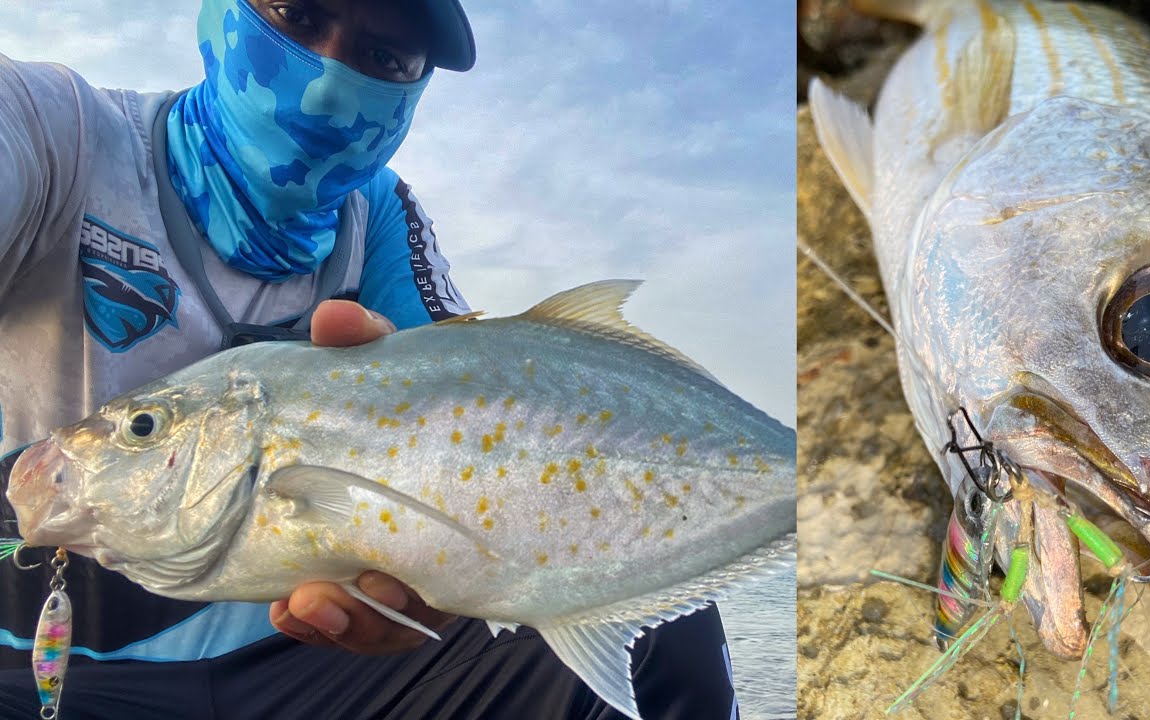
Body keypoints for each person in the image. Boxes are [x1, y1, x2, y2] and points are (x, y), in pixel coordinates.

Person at [0, 0, 739, 717]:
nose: (326, 81)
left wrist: (467, 568)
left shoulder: (380, 214)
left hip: (312, 663)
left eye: (383, 56)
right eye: (299, 15)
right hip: (32, 661)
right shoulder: (57, 129)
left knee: (667, 638)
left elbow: (471, 397)